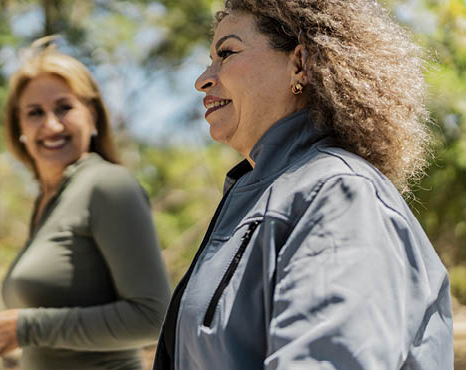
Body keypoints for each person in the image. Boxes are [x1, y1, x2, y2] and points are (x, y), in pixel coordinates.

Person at [153, 1, 453, 369]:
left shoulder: (339, 193)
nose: (202, 79)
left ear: (299, 63)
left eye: (226, 53)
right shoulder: (262, 194)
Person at [0, 38, 171, 370]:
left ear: (92, 115)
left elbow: (152, 317)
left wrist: (23, 327)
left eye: (64, 108)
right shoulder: (48, 200)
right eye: (35, 113)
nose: (51, 125)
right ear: (20, 127)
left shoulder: (108, 185)